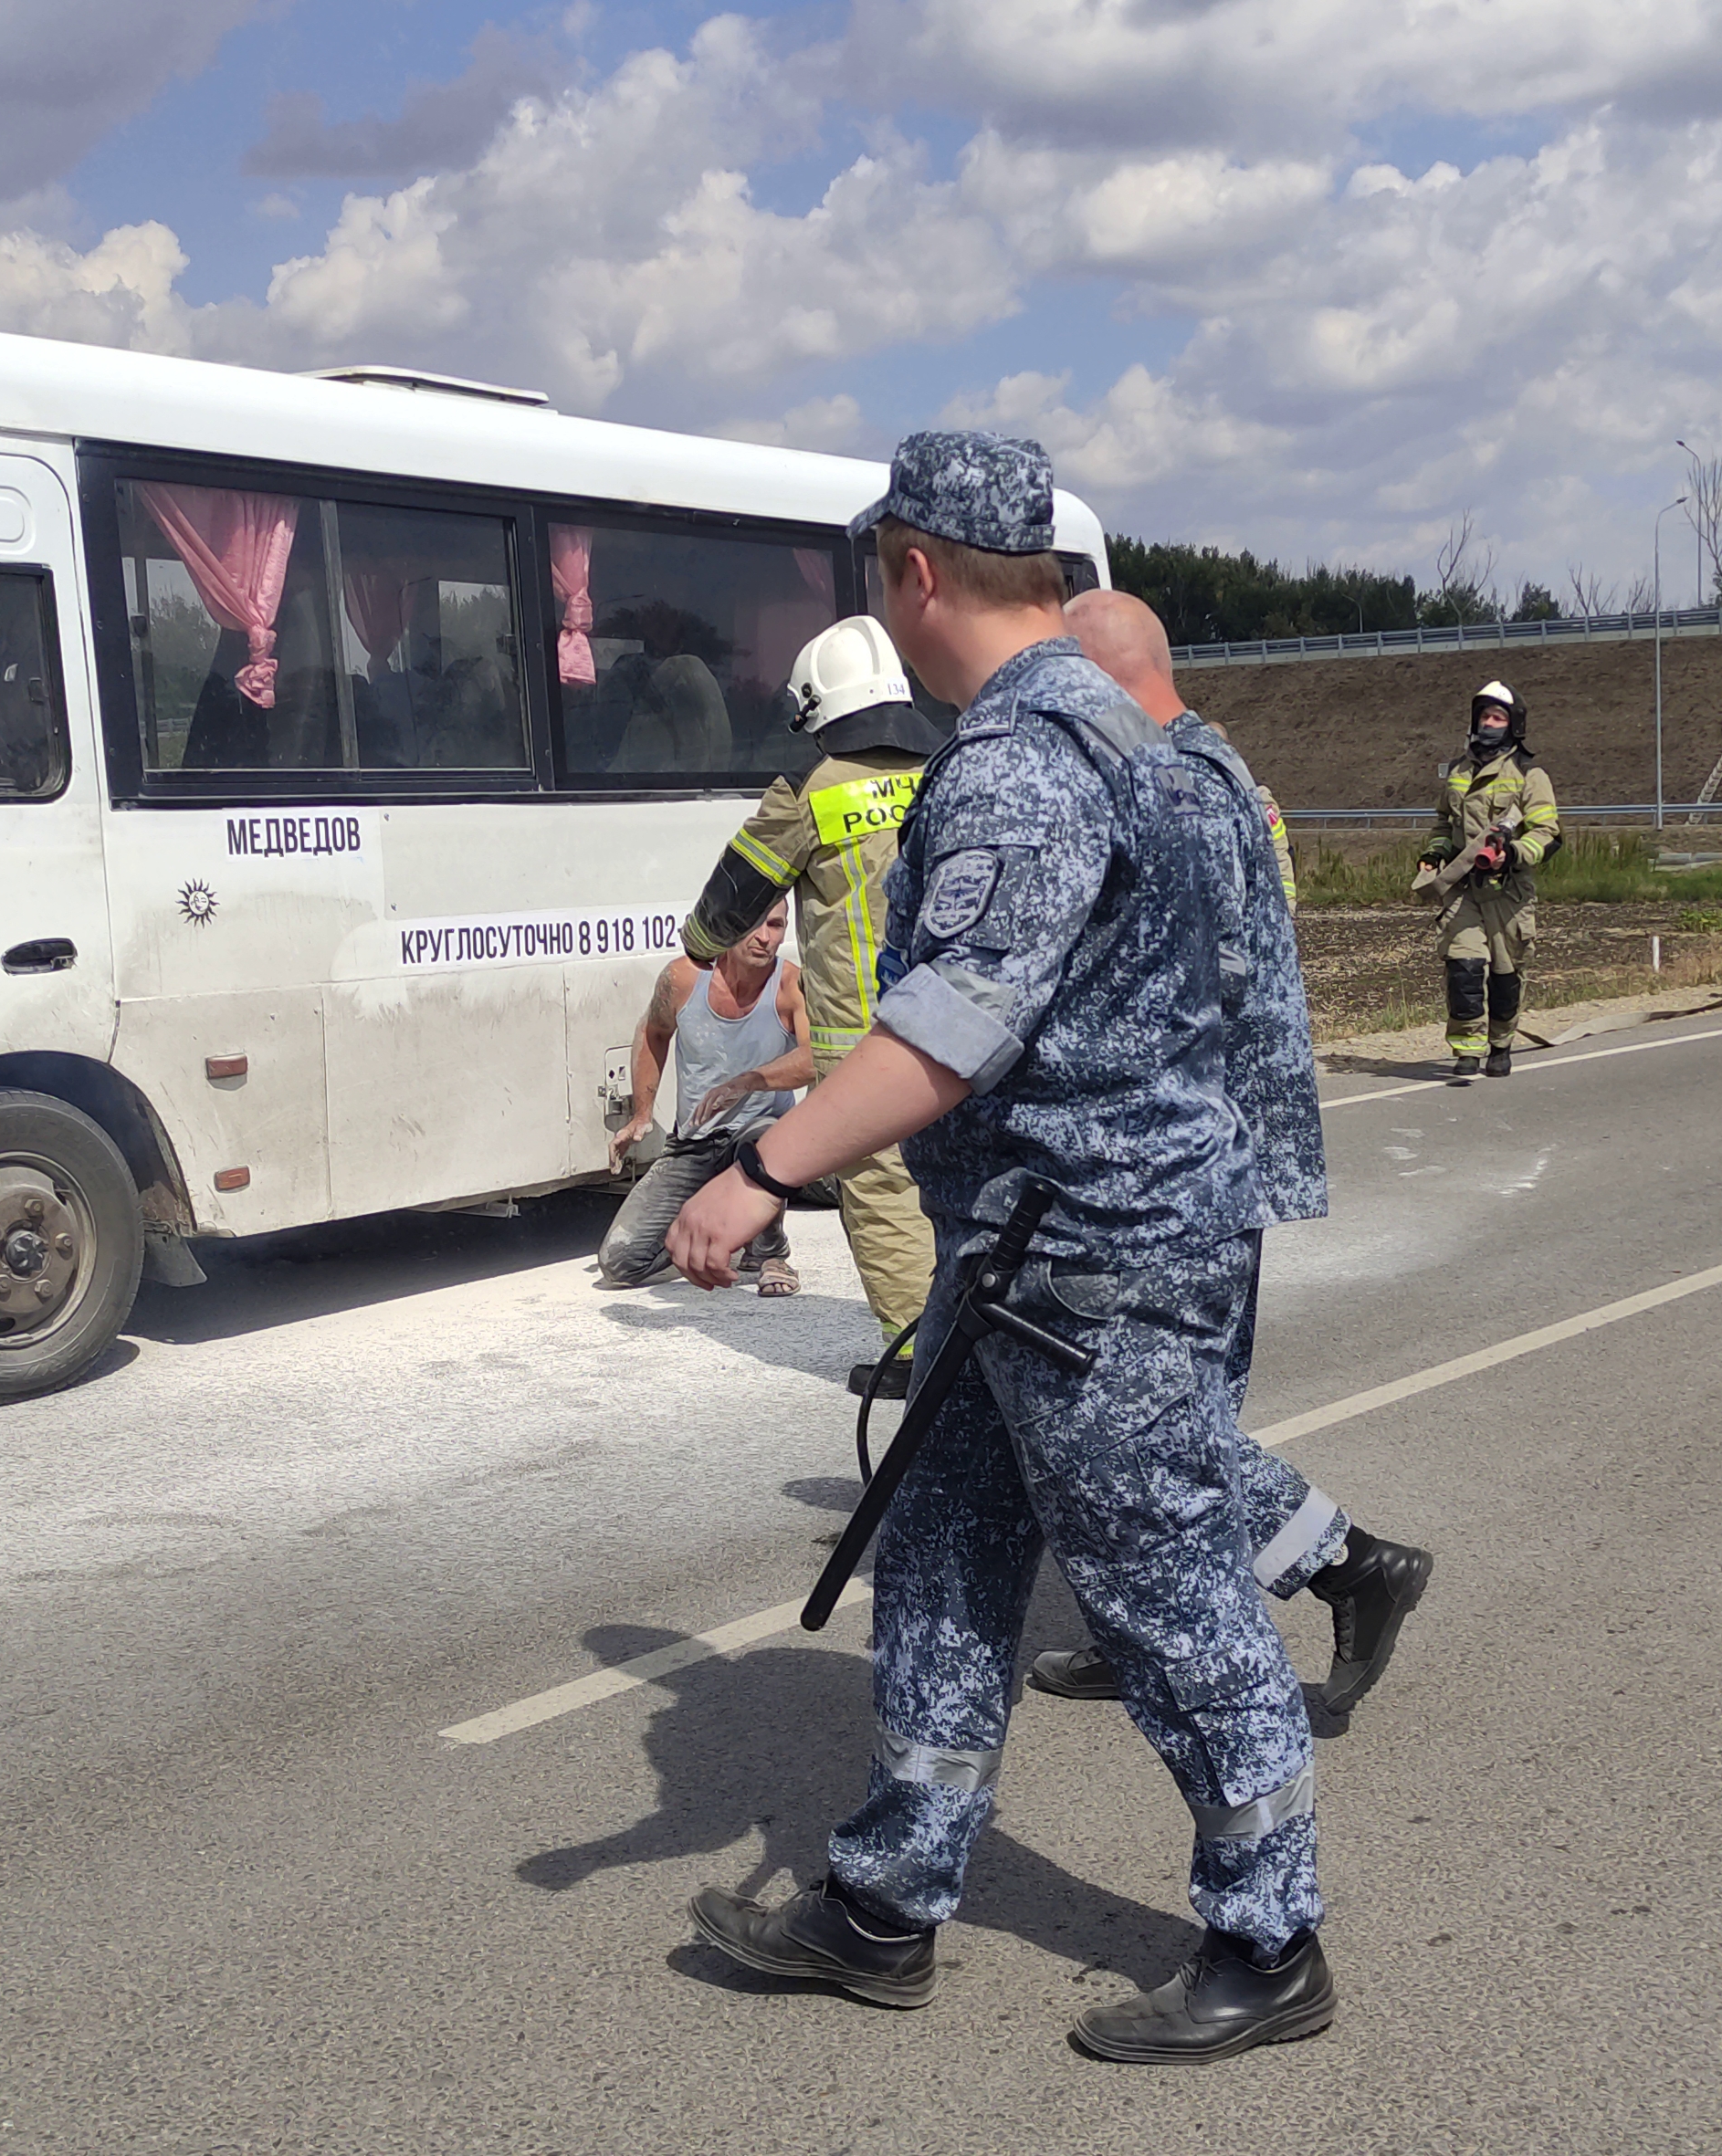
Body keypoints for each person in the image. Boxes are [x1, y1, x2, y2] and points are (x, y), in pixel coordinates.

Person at [667, 430, 1334, 2063]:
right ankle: (890, 1897)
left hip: (1089, 1261)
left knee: (1168, 1590)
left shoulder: (1030, 760)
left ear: (914, 570)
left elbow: (943, 1036)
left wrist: (755, 1169)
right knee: (948, 1559)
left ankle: (1272, 1933)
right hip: (1033, 1252)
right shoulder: (1141, 740)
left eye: (881, 578)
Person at [1035, 587, 1432, 1716]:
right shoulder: (1203, 768)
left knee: (1153, 1420)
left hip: (1184, 1157)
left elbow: (1197, 985)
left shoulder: (1183, 788)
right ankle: (1154, 1625)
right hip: (1207, 1147)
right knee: (1168, 1412)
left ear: (1102, 677)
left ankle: (1350, 1563)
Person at [681, 615, 947, 1397]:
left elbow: (733, 901)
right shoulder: (953, 768)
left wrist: (699, 946)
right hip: (967, 1026)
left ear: (816, 708)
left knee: (885, 1191)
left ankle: (919, 1359)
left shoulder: (811, 791)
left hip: (867, 1038)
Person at [596, 898, 810, 1294]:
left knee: (767, 1140)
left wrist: (748, 1081)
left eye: (776, 927)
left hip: (758, 1136)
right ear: (730, 926)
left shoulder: (790, 985)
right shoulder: (683, 978)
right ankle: (710, 1234)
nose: (765, 938)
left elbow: (817, 1058)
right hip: (694, 1143)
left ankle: (769, 1252)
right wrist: (642, 1113)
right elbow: (653, 1032)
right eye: (754, 925)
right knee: (620, 1263)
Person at [1421, 680, 1560, 1080]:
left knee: (1505, 974)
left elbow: (1548, 835)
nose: (1489, 723)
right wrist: (1434, 855)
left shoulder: (1529, 775)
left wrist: (1512, 853)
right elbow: (1445, 823)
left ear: (1513, 724)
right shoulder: (1459, 771)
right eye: (1484, 716)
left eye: (1498, 716)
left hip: (1509, 893)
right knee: (1463, 968)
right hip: (1464, 890)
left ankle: (1500, 1044)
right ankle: (1467, 1050)